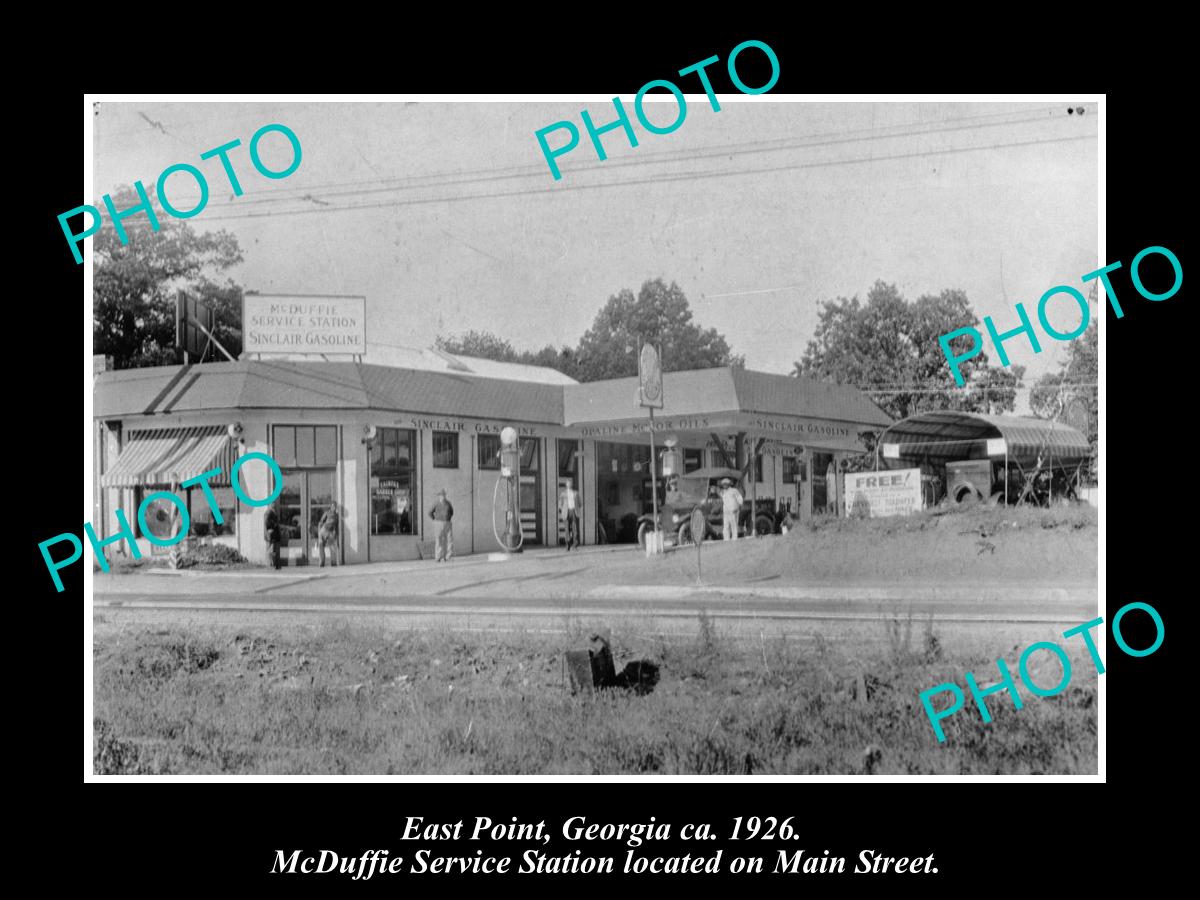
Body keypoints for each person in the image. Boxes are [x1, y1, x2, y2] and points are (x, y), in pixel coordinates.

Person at [428, 488, 454, 562]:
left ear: (445, 495)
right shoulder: (436, 503)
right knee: (438, 540)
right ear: (439, 496)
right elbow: (430, 512)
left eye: (443, 495)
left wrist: (448, 518)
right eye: (441, 495)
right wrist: (435, 519)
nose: (442, 496)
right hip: (438, 523)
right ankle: (438, 557)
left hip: (447, 523)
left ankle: (448, 557)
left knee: (449, 540)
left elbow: (452, 512)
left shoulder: (448, 503)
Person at [559, 478, 581, 550]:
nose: (569, 484)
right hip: (566, 512)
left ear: (572, 484)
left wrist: (576, 508)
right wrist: (563, 511)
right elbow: (560, 504)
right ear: (566, 484)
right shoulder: (563, 494)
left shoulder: (576, 493)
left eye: (570, 483)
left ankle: (575, 545)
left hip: (574, 511)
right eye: (568, 483)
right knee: (567, 529)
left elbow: (580, 503)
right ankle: (567, 545)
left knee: (575, 529)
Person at [264, 503, 282, 570]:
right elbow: (267, 523)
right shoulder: (269, 512)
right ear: (270, 505)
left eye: (274, 504)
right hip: (272, 534)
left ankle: (275, 564)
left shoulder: (273, 512)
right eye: (272, 504)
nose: (274, 505)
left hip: (275, 534)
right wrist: (273, 526)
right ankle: (271, 564)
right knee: (271, 550)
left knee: (274, 550)